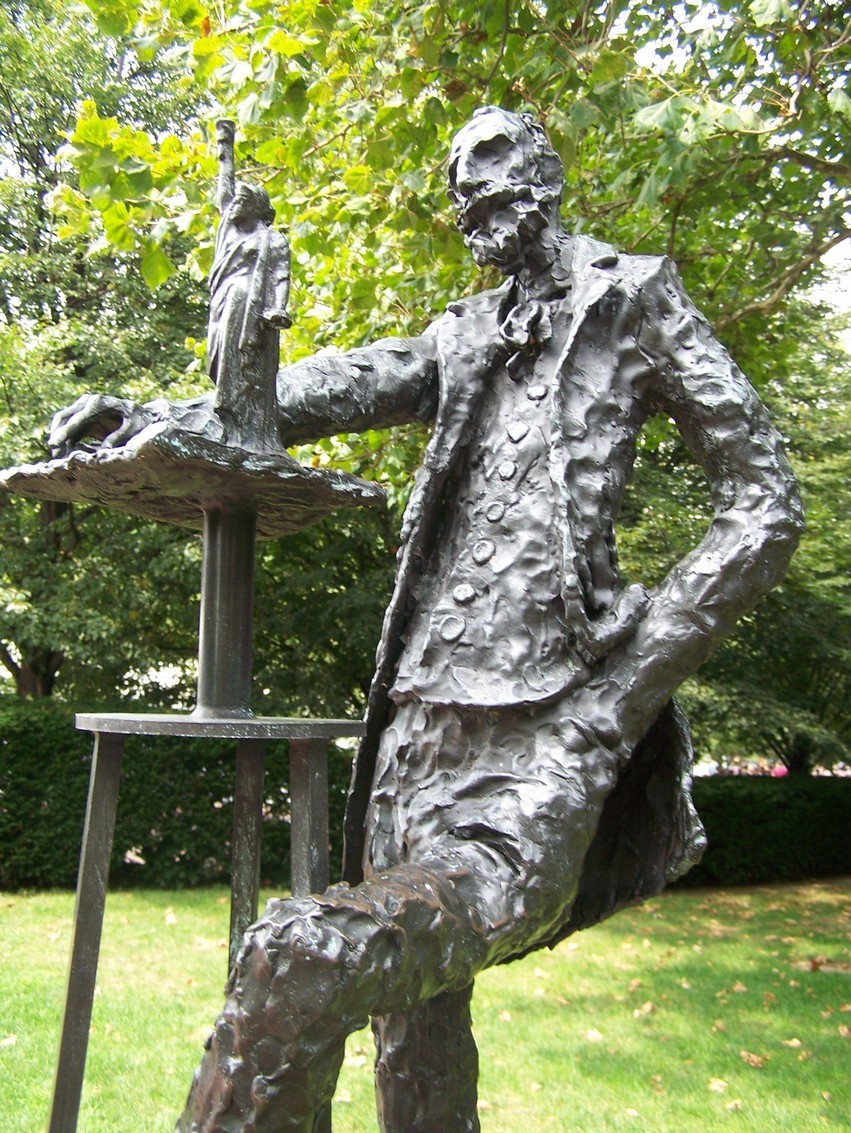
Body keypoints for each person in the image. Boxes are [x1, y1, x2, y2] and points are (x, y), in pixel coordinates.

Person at [47, 108, 802, 1133]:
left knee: (304, 953)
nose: (468, 189)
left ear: (544, 172)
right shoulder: (463, 332)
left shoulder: (632, 296)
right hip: (412, 736)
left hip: (541, 741)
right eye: (456, 178)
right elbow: (323, 388)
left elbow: (763, 502)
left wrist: (615, 705)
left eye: (488, 161)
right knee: (414, 1028)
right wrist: (161, 416)